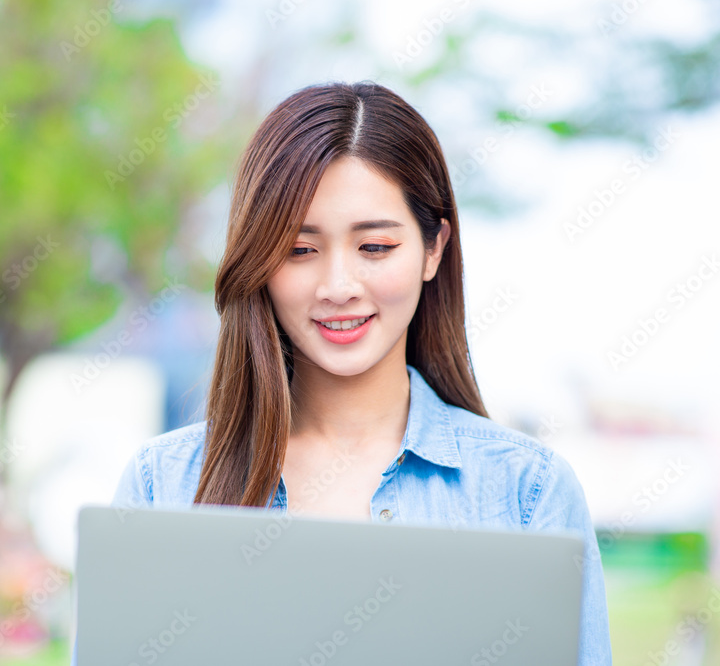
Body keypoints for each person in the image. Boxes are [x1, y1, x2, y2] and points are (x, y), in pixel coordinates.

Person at [89, 81, 612, 665]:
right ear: (258, 261)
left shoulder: (525, 493)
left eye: (376, 247)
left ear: (434, 248)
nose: (338, 287)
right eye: (299, 250)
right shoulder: (164, 485)